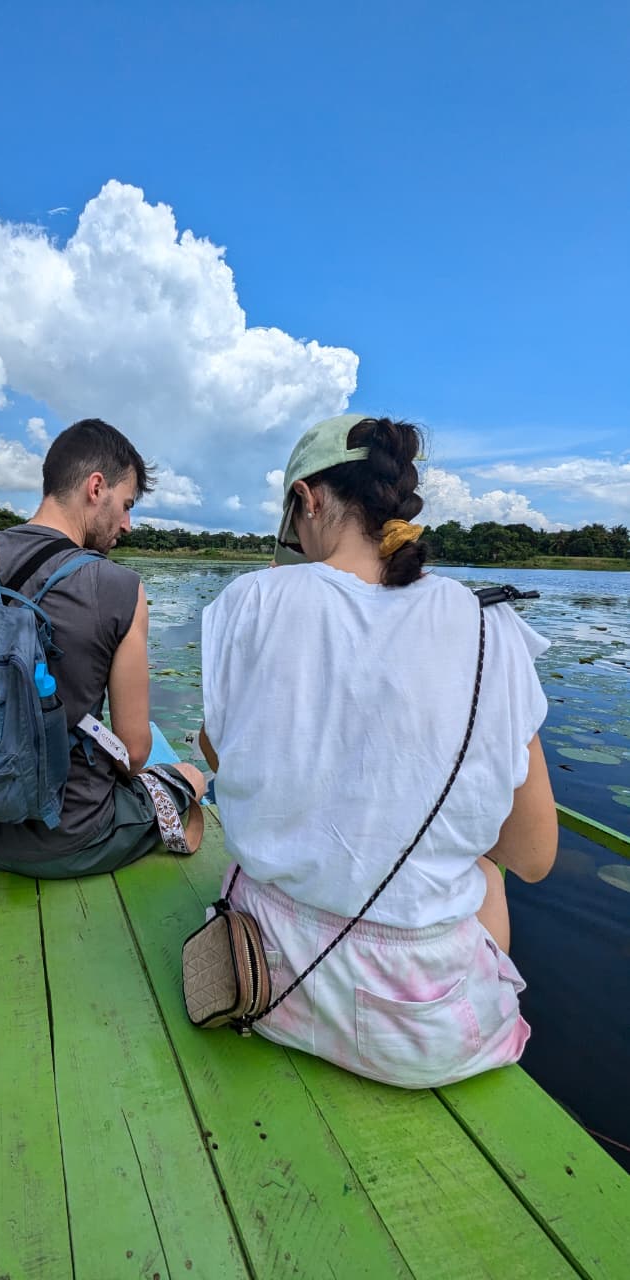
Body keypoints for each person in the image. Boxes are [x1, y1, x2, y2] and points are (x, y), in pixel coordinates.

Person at [198, 414, 557, 1088]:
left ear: (306, 499)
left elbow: (221, 756)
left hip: (262, 978)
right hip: (425, 1034)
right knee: (485, 861)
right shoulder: (487, 624)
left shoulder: (247, 601)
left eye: (289, 532)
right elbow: (533, 858)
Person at [0, 417, 205, 877]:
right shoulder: (120, 587)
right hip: (69, 838)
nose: (128, 524)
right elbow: (134, 753)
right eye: (126, 505)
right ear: (96, 487)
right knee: (189, 776)